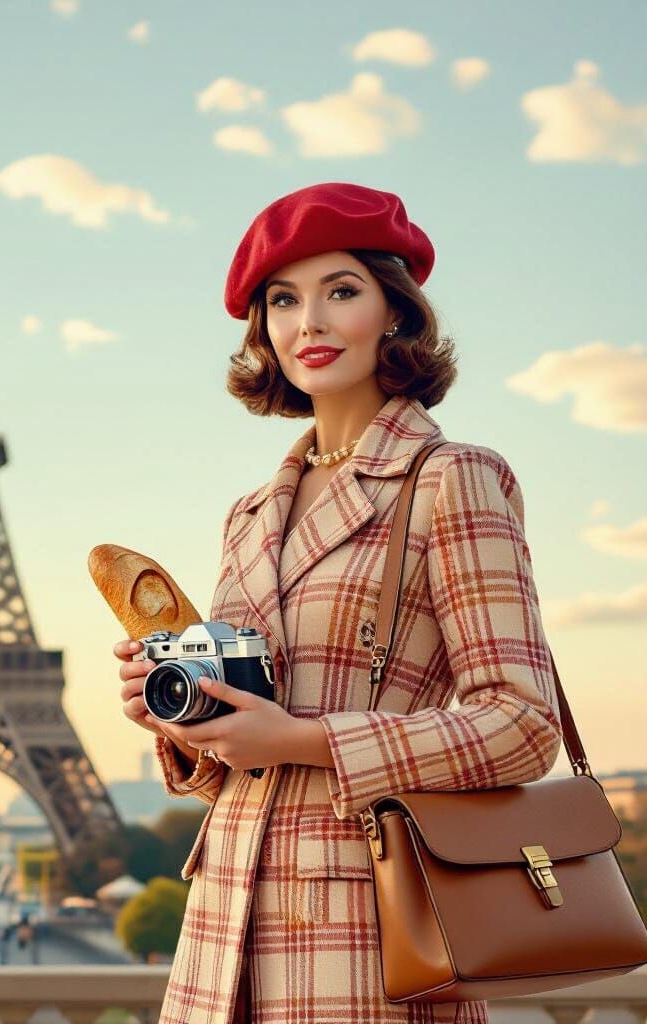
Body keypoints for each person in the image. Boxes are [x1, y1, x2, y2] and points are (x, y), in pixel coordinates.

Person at [113, 182, 562, 1024]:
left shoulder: (452, 478)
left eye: (341, 291)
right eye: (283, 300)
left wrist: (306, 738)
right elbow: (252, 762)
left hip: (370, 936)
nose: (308, 323)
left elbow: (522, 725)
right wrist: (179, 719)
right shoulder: (248, 516)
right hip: (218, 944)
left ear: (395, 310)